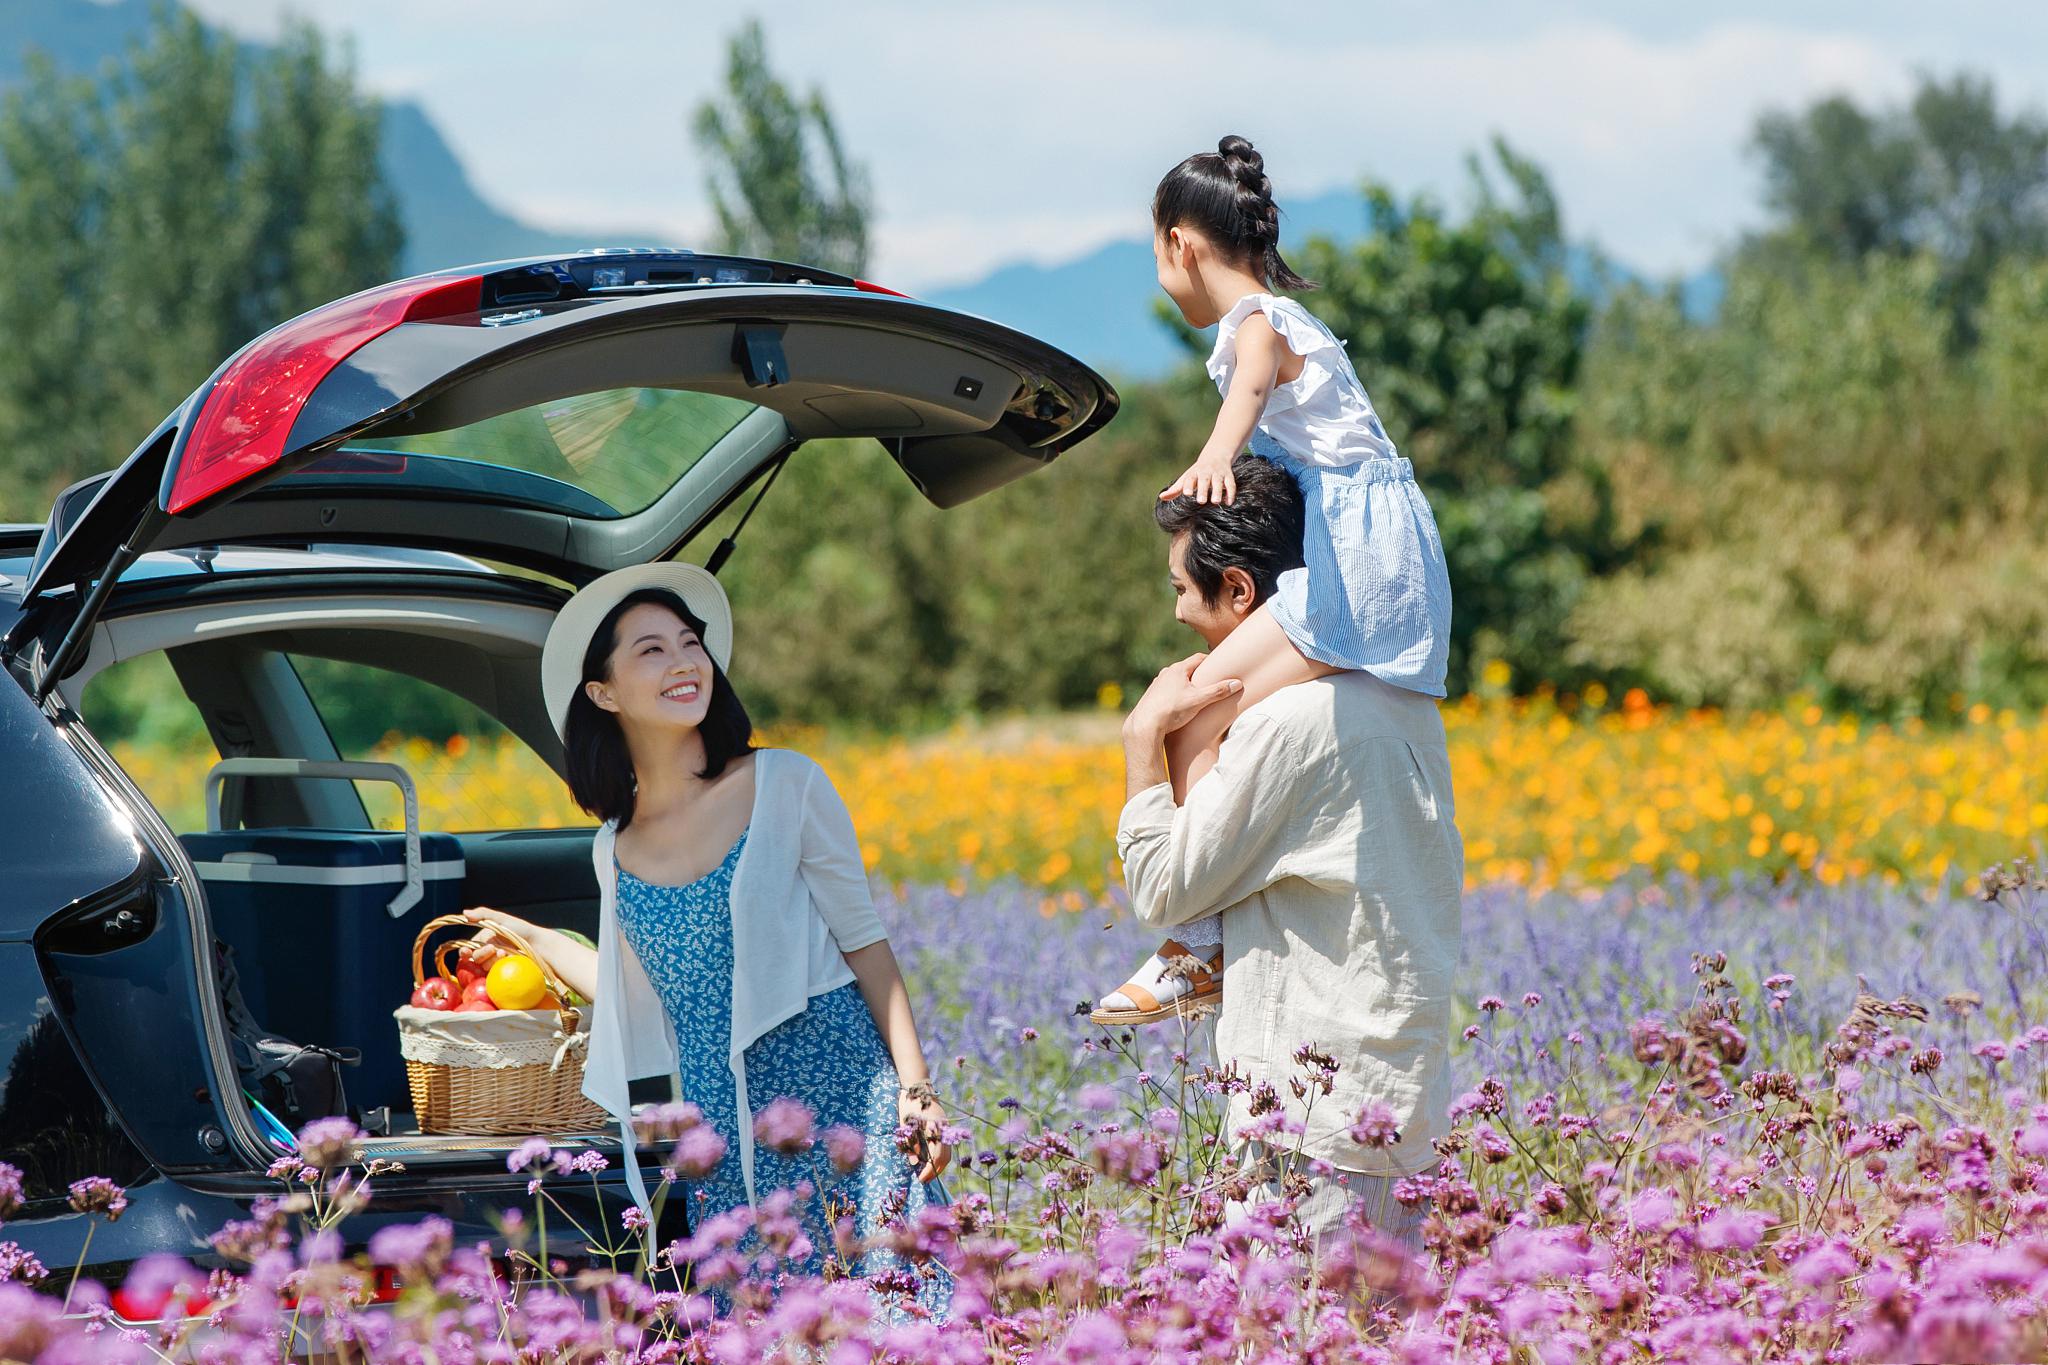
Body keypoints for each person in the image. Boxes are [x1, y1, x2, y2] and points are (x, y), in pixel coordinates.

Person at [462, 562, 951, 1315]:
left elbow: (866, 943)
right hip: (723, 1137)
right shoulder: (612, 847)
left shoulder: (785, 782)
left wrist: (915, 1091)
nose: (684, 661)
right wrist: (529, 936)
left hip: (845, 1100)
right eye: (651, 650)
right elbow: (632, 992)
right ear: (603, 692)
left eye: (690, 643)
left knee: (898, 1319)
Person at [1094, 133, 1454, 1024]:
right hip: (1363, 555)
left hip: (1362, 567)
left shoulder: (1258, 322)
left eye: (1157, 255)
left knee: (1195, 708)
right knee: (1207, 701)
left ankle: (1196, 947)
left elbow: (1252, 385)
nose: (1161, 276)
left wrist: (1215, 456)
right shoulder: (1281, 320)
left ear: (1181, 242)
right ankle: (1200, 945)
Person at [1111, 453, 1464, 1255]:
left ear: (1240, 590)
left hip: (1308, 1133)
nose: (1174, 614)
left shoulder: (1292, 723)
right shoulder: (1406, 703)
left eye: (1179, 588)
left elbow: (1167, 887)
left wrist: (1142, 742)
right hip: (1400, 1116)